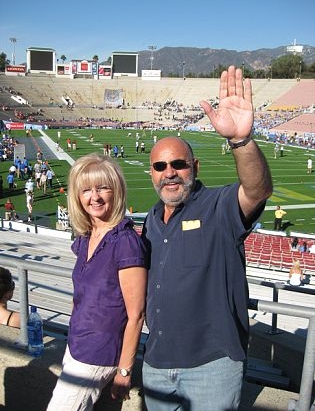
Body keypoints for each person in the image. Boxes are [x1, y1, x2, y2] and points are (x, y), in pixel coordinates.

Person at [141, 65, 273, 410]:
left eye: (178, 164)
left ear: (195, 166)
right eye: (160, 167)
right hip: (155, 362)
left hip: (211, 366)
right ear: (152, 174)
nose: (169, 172)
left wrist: (240, 140)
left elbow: (257, 191)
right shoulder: (151, 221)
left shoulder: (218, 207)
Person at [47, 153, 147, 410]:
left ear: (116, 191)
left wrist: (124, 372)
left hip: (99, 353)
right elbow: (81, 297)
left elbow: (136, 315)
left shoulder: (125, 242)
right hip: (77, 345)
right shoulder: (85, 236)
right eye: (87, 190)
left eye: (103, 187)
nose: (95, 197)